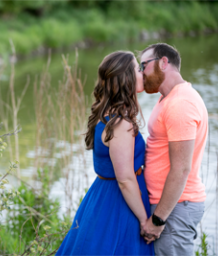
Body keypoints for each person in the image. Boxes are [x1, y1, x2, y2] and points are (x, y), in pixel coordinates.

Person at [55, 51, 154, 256]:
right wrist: (145, 221)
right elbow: (125, 179)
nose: (142, 72)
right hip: (118, 204)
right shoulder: (120, 124)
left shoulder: (108, 116)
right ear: (126, 78)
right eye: (137, 68)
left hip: (103, 196)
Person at [138, 43, 209, 255]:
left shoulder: (181, 104)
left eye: (144, 65)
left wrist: (159, 219)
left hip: (174, 209)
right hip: (170, 206)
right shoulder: (168, 98)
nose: (141, 73)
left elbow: (181, 169)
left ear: (163, 62)